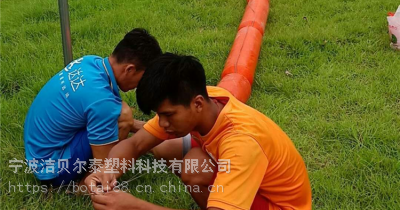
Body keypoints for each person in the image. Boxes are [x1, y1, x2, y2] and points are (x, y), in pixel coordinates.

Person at [86, 53, 312, 210]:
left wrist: (134, 206)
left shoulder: (242, 142)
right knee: (190, 162)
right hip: (254, 186)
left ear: (197, 104)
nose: (162, 123)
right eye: (159, 115)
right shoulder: (207, 98)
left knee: (188, 161)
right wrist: (107, 170)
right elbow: (136, 145)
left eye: (168, 115)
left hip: (278, 205)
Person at [24, 28, 162, 187]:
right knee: (123, 116)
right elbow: (102, 162)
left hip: (38, 152)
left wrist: (155, 131)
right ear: (130, 69)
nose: (141, 85)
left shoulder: (90, 62)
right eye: (143, 78)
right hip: (54, 169)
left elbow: (101, 113)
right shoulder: (102, 102)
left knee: (117, 114)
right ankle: (84, 187)